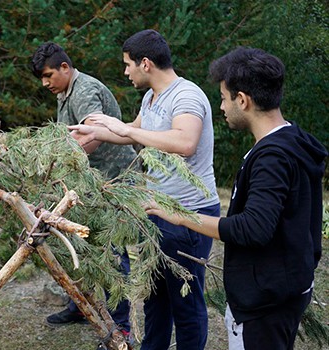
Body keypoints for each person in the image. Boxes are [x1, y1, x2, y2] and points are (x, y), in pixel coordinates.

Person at [146, 47, 326, 350]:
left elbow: (252, 229)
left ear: (242, 100)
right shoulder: (294, 140)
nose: (221, 106)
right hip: (285, 289)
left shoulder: (273, 158)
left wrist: (178, 215)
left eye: (224, 97)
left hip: (263, 304)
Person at [69, 29, 220, 349]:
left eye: (128, 65)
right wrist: (97, 130)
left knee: (186, 303)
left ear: (146, 63)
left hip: (188, 215)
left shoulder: (186, 96)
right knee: (154, 297)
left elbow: (185, 142)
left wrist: (122, 128)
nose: (125, 72)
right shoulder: (152, 97)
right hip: (156, 211)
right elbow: (136, 133)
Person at [29, 42, 135, 338]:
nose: (45, 83)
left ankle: (121, 327)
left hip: (113, 182)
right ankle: (81, 305)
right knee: (81, 246)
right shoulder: (65, 91)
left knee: (113, 255)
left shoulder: (85, 90)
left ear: (65, 67)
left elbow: (93, 135)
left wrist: (56, 164)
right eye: (42, 77)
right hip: (88, 183)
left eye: (49, 75)